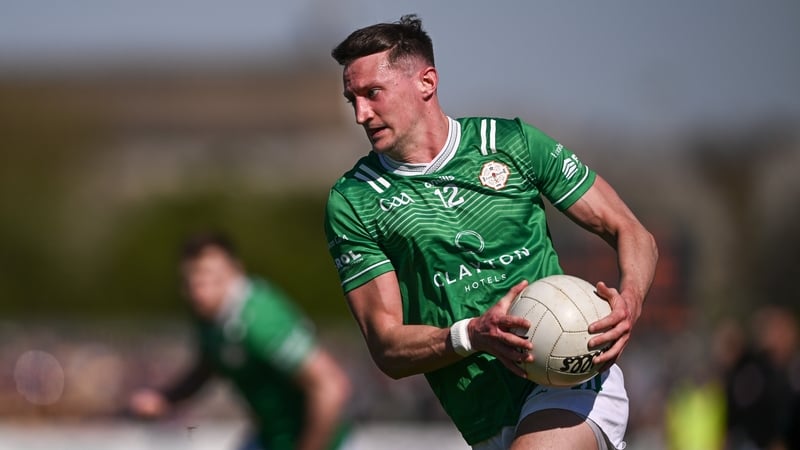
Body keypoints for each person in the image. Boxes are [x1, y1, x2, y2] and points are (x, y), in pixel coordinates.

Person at [323, 14, 658, 450]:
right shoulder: (354, 200)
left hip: (570, 381)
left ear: (426, 82)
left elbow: (632, 231)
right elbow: (386, 345)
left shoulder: (512, 144)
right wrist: (472, 334)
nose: (361, 114)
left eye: (372, 94)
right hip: (483, 417)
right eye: (353, 100)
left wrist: (628, 303)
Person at [129, 232, 353, 450]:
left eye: (207, 277)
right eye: (190, 281)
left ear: (235, 271)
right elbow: (210, 363)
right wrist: (167, 398)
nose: (198, 290)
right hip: (271, 437)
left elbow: (330, 386)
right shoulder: (212, 319)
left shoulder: (259, 320)